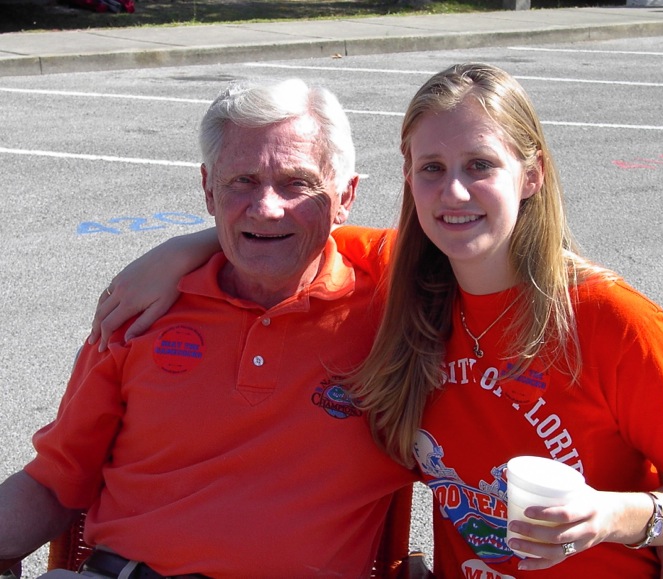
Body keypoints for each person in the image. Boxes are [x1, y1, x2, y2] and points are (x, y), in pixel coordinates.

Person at [90, 64, 663, 578]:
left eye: (480, 165)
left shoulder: (609, 318)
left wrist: (613, 517)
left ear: (532, 174)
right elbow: (285, 226)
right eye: (431, 168)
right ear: (408, 178)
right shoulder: (407, 294)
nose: (454, 193)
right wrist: (184, 250)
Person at [0, 77, 414, 578]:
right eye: (241, 181)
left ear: (345, 195)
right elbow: (55, 482)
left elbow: (487, 248)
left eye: (297, 183)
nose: (266, 207)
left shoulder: (399, 307)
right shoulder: (142, 308)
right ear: (207, 188)